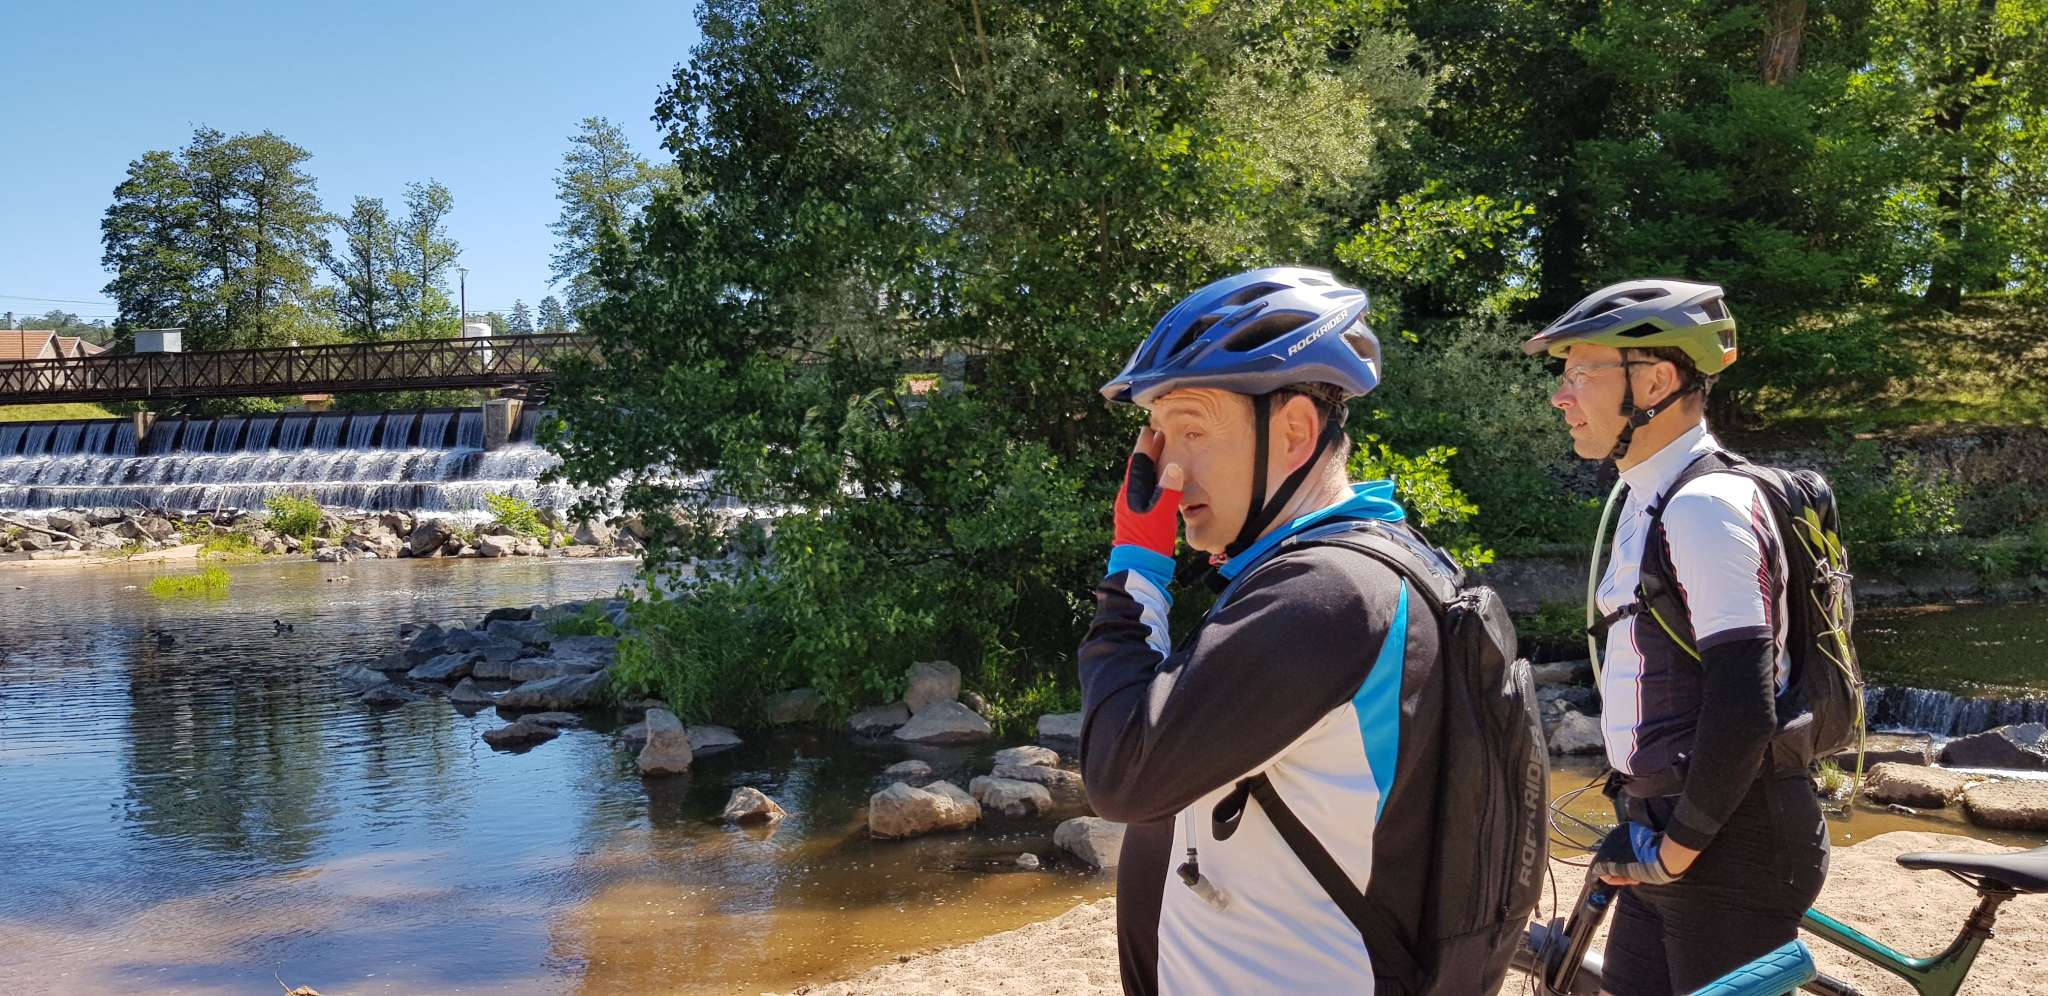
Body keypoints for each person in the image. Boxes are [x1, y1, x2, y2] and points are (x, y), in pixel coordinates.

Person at [1078, 267, 1450, 994]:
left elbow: (1121, 774)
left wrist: (1135, 570)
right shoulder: (1356, 563)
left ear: (1294, 432)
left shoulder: (1325, 595)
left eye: (1192, 430)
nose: (1167, 469)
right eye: (1158, 437)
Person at [1523, 279, 1828, 995]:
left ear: (1655, 381)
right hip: (1676, 826)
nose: (1561, 397)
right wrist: (1649, 823)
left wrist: (1679, 848)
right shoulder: (1648, 497)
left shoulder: (1705, 506)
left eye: (1580, 373)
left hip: (1729, 844)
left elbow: (1743, 704)